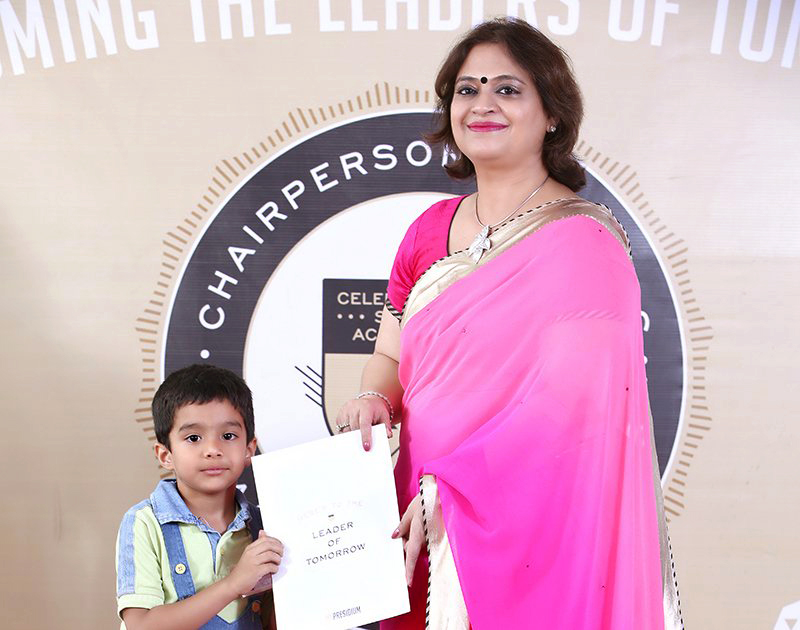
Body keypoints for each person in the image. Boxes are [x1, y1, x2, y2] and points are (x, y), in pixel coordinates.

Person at [335, 18, 683, 630]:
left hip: (530, 517)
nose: (482, 104)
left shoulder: (583, 242)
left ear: (552, 114)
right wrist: (373, 397)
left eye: (508, 89)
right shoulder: (428, 231)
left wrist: (452, 489)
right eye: (467, 89)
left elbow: (571, 413)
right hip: (417, 505)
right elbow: (390, 355)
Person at [115, 364, 283, 630]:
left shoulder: (266, 525)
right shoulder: (144, 523)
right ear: (165, 455)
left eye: (228, 435)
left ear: (249, 449)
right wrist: (233, 584)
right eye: (194, 438)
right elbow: (141, 625)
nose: (213, 449)